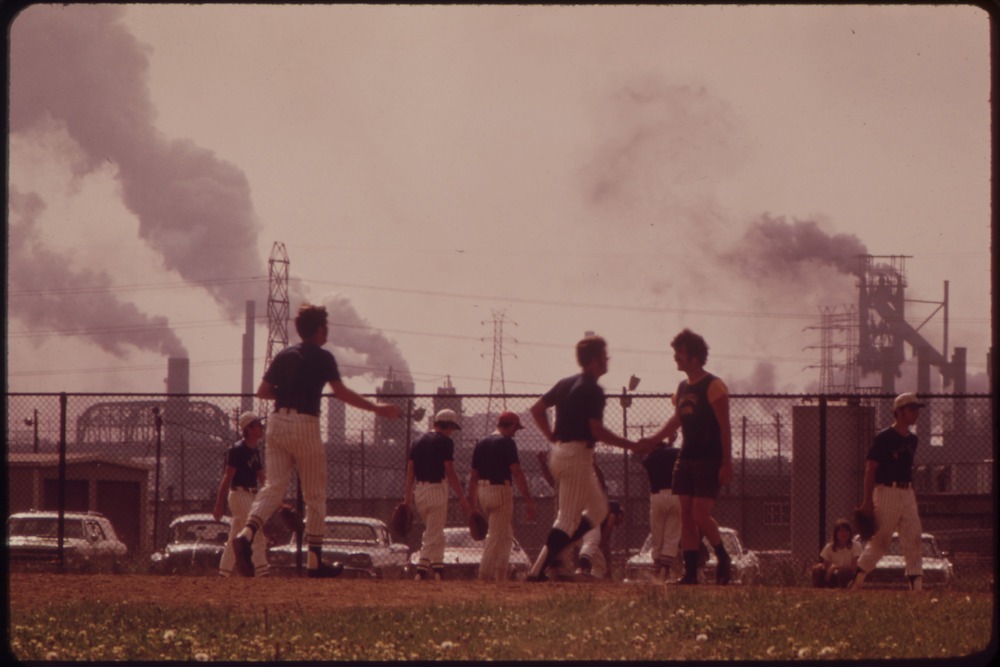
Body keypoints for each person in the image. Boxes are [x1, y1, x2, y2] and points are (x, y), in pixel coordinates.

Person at [231, 304, 401, 578]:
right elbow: (342, 393)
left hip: (277, 423)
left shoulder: (285, 354)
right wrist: (379, 409)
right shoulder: (323, 357)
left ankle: (246, 535)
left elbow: (262, 391)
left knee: (274, 487)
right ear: (320, 329)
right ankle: (314, 562)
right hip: (305, 425)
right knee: (315, 495)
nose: (327, 331)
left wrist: (288, 393)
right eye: (326, 326)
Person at [526, 335, 651, 582]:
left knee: (599, 509)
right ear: (595, 360)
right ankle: (538, 570)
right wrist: (631, 445)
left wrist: (552, 437)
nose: (607, 360)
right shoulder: (592, 389)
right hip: (576, 456)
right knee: (567, 520)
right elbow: (597, 431)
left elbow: (537, 409)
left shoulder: (566, 383)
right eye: (604, 356)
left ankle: (553, 554)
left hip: (566, 453)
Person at [640, 328, 733, 585]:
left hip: (709, 458)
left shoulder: (713, 385)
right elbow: (677, 419)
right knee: (685, 515)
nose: (675, 358)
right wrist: (653, 440)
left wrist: (727, 462)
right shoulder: (681, 387)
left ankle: (723, 557)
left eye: (679, 353)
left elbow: (725, 425)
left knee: (700, 514)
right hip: (686, 456)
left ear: (693, 356)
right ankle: (690, 573)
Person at [852, 392, 927, 591]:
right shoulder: (884, 437)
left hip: (907, 492)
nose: (915, 413)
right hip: (886, 491)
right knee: (882, 540)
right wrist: (867, 501)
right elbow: (871, 469)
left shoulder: (913, 439)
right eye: (911, 409)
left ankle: (916, 585)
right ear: (899, 411)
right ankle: (857, 576)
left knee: (914, 536)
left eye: (917, 409)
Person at [468, 411, 536, 582]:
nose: (516, 432)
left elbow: (473, 476)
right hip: (501, 491)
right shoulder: (507, 442)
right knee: (495, 537)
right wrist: (528, 499)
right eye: (516, 428)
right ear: (511, 425)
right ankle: (483, 576)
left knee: (506, 535)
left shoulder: (481, 443)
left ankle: (501, 576)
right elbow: (517, 473)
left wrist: (473, 504)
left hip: (483, 492)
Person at [405, 408, 472, 581]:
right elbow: (449, 471)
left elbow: (410, 470)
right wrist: (462, 497)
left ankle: (438, 569)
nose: (452, 432)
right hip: (436, 490)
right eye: (452, 428)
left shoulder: (417, 441)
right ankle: (420, 570)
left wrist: (407, 498)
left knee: (436, 531)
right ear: (447, 425)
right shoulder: (446, 442)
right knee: (432, 533)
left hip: (419, 491)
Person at [214, 411, 269, 577]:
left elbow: (262, 478)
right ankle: (262, 572)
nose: (261, 428)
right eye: (258, 425)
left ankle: (223, 574)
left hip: (251, 496)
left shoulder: (255, 451)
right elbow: (227, 477)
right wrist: (219, 504)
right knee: (257, 533)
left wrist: (276, 499)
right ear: (249, 428)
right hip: (239, 494)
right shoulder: (237, 450)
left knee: (234, 539)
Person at [642, 438, 682, 581]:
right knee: (672, 532)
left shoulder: (650, 458)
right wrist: (672, 442)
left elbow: (653, 456)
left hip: (657, 495)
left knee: (657, 531)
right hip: (676, 494)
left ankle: (657, 565)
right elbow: (672, 453)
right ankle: (665, 567)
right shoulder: (676, 453)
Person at [811, 518, 861, 588]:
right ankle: (819, 592)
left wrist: (835, 567)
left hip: (848, 575)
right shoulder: (829, 547)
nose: (844, 534)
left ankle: (843, 592)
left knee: (842, 573)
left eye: (846, 531)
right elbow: (825, 566)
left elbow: (853, 568)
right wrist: (822, 568)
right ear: (836, 533)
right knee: (817, 570)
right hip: (832, 575)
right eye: (841, 531)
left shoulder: (856, 545)